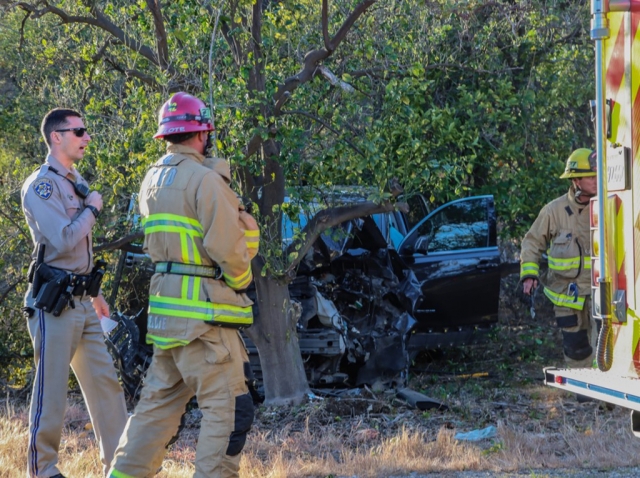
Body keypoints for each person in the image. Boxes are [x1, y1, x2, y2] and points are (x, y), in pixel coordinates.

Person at [108, 92, 259, 478]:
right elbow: (231, 253)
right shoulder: (206, 181)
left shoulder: (152, 180)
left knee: (153, 412)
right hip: (207, 324)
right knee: (228, 414)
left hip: (167, 322)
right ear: (203, 133)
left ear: (167, 136)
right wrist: (242, 281)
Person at [21, 108, 128, 477]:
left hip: (83, 301)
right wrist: (93, 210)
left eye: (86, 130)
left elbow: (81, 251)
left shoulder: (74, 180)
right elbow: (65, 239)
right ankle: (44, 469)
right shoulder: (42, 185)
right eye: (79, 130)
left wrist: (95, 293)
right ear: (56, 137)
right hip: (55, 305)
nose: (86, 137)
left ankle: (122, 467)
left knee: (107, 389)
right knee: (51, 392)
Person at [520, 148, 598, 369]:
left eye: (597, 174)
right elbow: (532, 242)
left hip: (600, 295)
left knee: (604, 348)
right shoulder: (554, 211)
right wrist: (529, 274)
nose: (595, 180)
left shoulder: (610, 206)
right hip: (568, 297)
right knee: (576, 349)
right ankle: (584, 399)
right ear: (575, 180)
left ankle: (605, 401)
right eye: (590, 176)